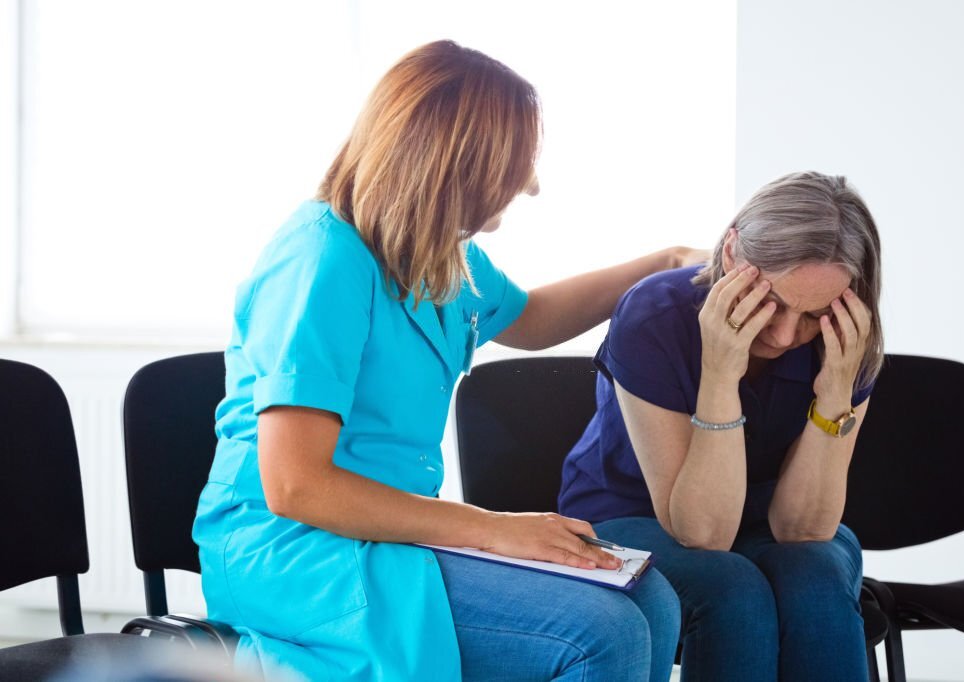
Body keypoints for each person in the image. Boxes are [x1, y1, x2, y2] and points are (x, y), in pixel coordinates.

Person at [192, 40, 699, 682]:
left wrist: (663, 263)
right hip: (295, 552)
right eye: (509, 167)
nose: (528, 186)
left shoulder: (431, 254)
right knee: (599, 633)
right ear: (451, 166)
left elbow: (534, 317)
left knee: (648, 599)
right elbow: (297, 486)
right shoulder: (321, 262)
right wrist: (490, 529)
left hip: (391, 535)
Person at [559, 171, 884, 681]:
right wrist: (720, 374)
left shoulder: (845, 337)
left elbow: (802, 530)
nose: (783, 334)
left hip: (767, 515)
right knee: (731, 590)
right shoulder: (655, 316)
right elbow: (704, 533)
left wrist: (836, 392)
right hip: (629, 513)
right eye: (771, 303)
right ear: (732, 253)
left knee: (816, 576)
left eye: (812, 315)